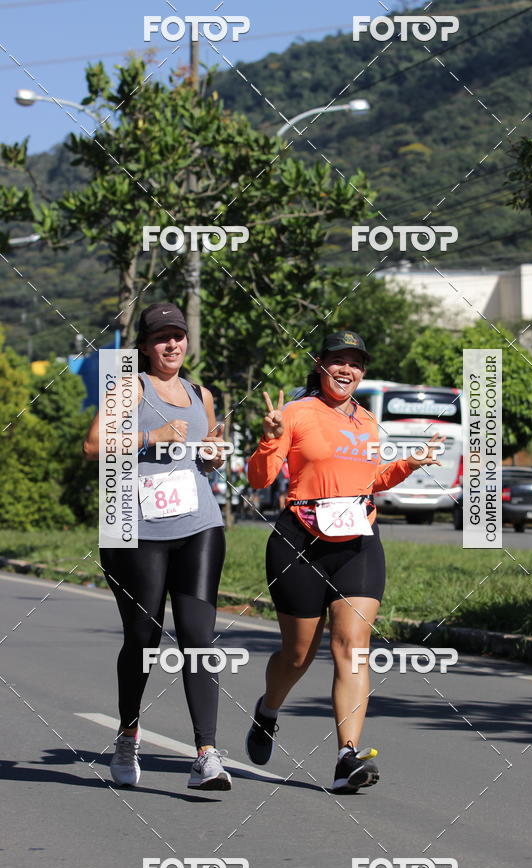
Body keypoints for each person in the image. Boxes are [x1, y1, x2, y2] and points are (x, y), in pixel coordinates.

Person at [244, 331, 444, 793]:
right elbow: (260, 478)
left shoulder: (368, 422)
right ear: (320, 364)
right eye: (338, 360)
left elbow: (369, 479)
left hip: (358, 538)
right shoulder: (295, 413)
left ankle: (345, 756)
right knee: (298, 655)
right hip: (300, 540)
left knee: (353, 646)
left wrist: (408, 464)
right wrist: (269, 440)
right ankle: (268, 710)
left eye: (356, 363)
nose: (347, 370)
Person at [83, 302, 231, 791]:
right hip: (137, 529)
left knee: (198, 636)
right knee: (143, 640)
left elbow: (203, 464)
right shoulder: (131, 386)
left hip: (198, 525)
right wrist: (149, 436)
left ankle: (207, 755)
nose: (173, 345)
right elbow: (93, 444)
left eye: (179, 336)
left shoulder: (199, 393)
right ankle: (127, 737)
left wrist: (212, 457)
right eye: (162, 337)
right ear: (145, 346)